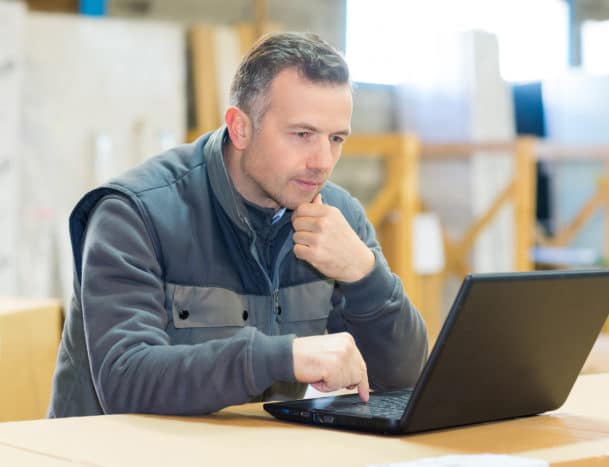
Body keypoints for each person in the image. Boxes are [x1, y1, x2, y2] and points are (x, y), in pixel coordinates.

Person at [48, 32, 428, 417]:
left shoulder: (337, 217)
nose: (322, 161)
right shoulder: (133, 215)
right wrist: (281, 357)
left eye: (336, 138)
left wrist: (365, 275)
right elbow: (125, 382)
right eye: (302, 134)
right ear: (240, 127)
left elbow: (403, 377)